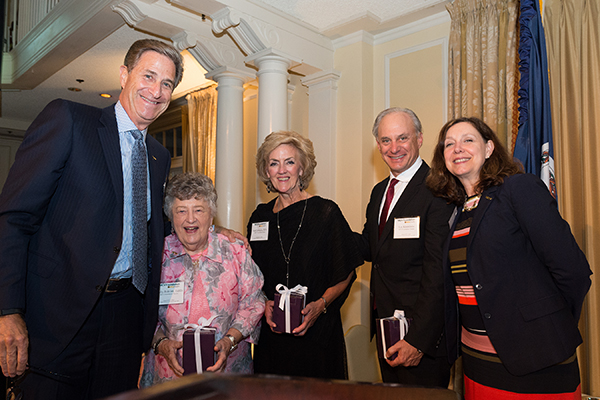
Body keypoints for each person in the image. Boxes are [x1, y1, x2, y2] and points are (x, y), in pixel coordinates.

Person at [0, 39, 183, 399]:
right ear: (124, 74)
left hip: (125, 320)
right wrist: (8, 310)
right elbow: (14, 218)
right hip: (57, 315)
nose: (157, 91)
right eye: (148, 76)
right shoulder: (69, 120)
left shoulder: (159, 156)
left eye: (167, 84)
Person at [426, 117, 592, 399]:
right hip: (477, 360)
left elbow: (573, 270)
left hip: (534, 357)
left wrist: (548, 322)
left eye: (468, 140)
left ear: (489, 148)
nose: (457, 149)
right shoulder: (460, 209)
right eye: (449, 144)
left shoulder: (518, 188)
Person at [248, 130, 363, 379]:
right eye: (273, 163)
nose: (282, 170)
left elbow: (347, 270)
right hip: (273, 336)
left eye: (289, 162)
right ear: (266, 171)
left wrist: (320, 305)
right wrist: (263, 303)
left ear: (302, 168)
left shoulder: (325, 213)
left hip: (317, 334)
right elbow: (252, 276)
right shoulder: (260, 218)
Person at [354, 108, 454, 387]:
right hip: (387, 328)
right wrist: (325, 219)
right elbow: (369, 248)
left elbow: (438, 273)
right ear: (378, 145)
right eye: (386, 140)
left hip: (422, 338)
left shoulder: (438, 188)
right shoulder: (379, 192)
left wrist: (417, 340)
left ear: (419, 139)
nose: (394, 148)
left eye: (402, 138)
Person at [139, 173, 265, 386]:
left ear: (211, 215)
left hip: (228, 375)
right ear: (170, 215)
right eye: (181, 211)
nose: (190, 219)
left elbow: (254, 302)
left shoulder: (234, 251)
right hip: (168, 377)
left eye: (198, 210)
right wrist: (161, 343)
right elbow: (139, 308)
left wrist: (230, 340)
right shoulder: (156, 255)